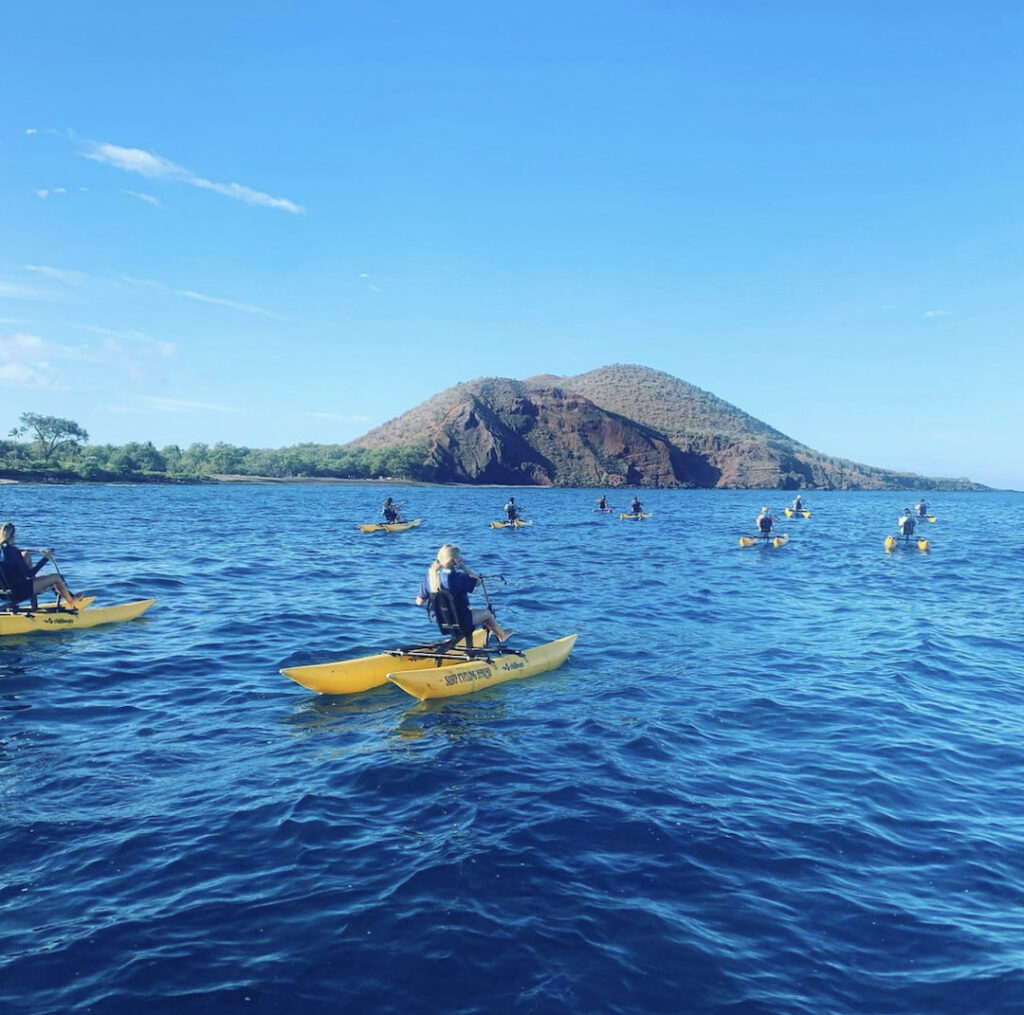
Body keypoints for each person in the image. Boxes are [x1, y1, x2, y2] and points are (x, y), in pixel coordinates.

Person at [415, 544, 513, 643]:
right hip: (461, 622)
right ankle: (502, 636)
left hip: (441, 621)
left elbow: (419, 602)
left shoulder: (430, 577)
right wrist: (463, 567)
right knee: (487, 614)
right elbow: (478, 582)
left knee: (465, 611)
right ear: (454, 561)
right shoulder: (459, 578)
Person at [0, 522, 81, 610]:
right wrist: (46, 558)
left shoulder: (6, 551)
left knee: (26, 555)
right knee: (57, 578)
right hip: (19, 593)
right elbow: (29, 574)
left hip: (4, 595)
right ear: (13, 536)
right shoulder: (13, 552)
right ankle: (72, 601)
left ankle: (34, 603)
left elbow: (9, 558)